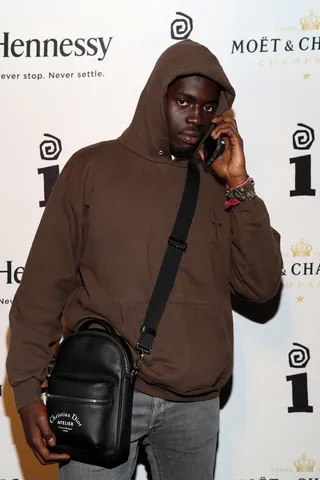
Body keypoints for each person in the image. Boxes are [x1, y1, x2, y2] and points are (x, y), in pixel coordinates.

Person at [6, 39, 282, 479]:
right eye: (184, 101)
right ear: (158, 97)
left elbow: (262, 285)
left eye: (209, 108)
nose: (196, 117)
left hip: (194, 407)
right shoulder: (91, 169)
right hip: (101, 394)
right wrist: (26, 390)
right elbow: (42, 287)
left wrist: (240, 184)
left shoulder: (219, 186)